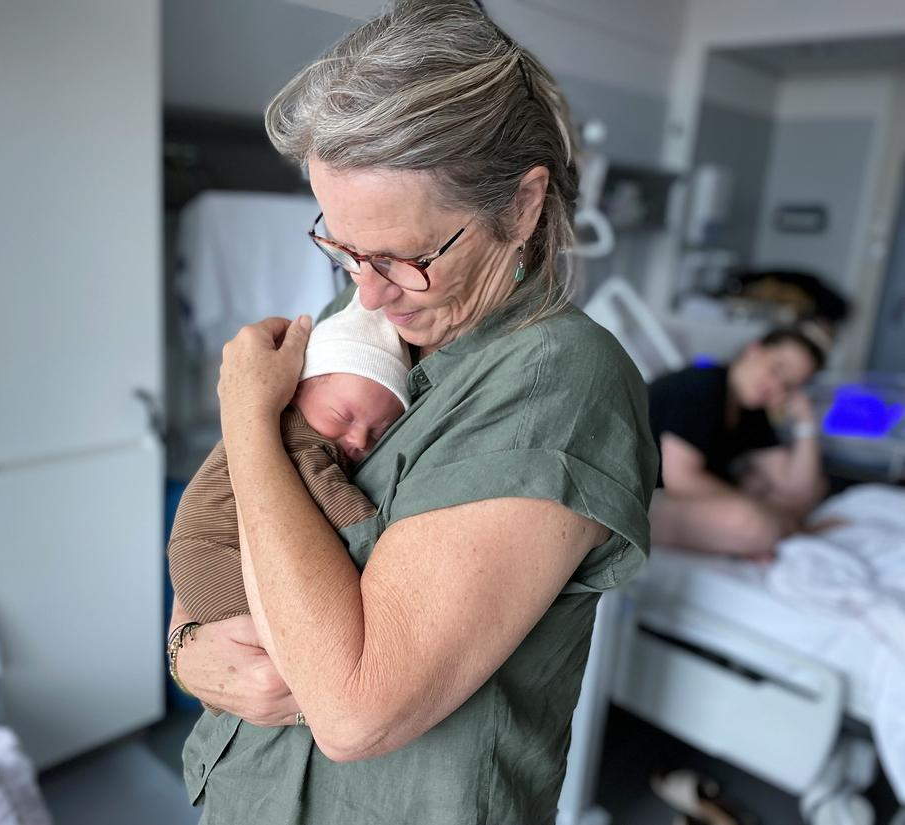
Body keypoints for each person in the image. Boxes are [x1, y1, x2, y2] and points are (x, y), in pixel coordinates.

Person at [166, 2, 657, 822]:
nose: (366, 288)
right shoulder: (359, 321)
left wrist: (245, 416)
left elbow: (356, 709)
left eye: (402, 255)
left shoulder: (558, 379)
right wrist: (188, 650)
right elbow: (227, 520)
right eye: (342, 247)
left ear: (523, 205)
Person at [166, 293, 410, 628]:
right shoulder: (299, 439)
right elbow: (334, 498)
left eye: (379, 430)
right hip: (217, 558)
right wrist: (379, 541)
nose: (359, 439)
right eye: (343, 415)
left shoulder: (292, 424)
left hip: (198, 560)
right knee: (309, 630)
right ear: (294, 391)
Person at [648, 324, 831, 558]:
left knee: (797, 489)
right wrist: (768, 512)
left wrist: (806, 422)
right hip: (643, 497)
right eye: (776, 369)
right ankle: (778, 533)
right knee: (755, 522)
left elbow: (800, 490)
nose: (775, 387)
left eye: (789, 386)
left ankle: (772, 533)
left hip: (682, 498)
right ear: (754, 350)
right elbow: (681, 479)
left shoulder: (751, 412)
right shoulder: (703, 385)